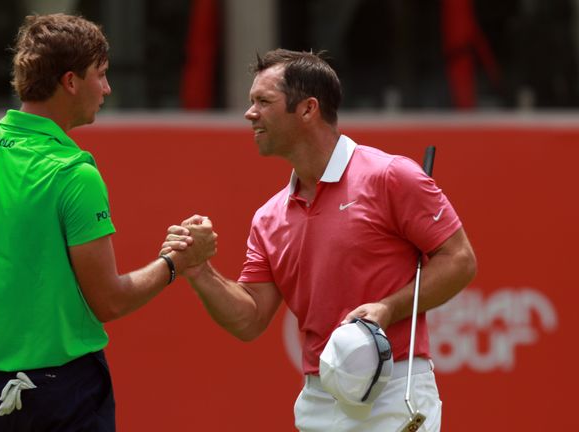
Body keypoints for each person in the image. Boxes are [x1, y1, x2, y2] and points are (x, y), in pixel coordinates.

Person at [0, 13, 215, 432]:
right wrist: (174, 263)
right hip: (67, 394)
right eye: (102, 75)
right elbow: (108, 300)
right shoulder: (74, 173)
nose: (108, 89)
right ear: (71, 81)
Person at [163, 49, 477, 431]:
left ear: (308, 109)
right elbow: (249, 319)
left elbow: (459, 259)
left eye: (263, 101)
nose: (250, 113)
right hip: (319, 399)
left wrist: (388, 308)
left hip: (395, 387)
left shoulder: (390, 175)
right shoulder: (268, 217)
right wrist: (200, 271)